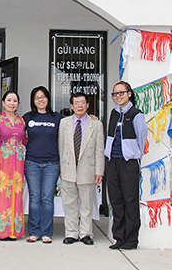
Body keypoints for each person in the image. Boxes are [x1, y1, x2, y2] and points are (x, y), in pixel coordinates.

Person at [105, 81, 147, 250]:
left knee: (130, 200)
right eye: (115, 93)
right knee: (116, 200)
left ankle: (131, 239)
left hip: (128, 163)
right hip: (112, 161)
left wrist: (132, 154)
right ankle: (119, 237)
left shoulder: (136, 114)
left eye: (121, 92)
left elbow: (141, 139)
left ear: (129, 94)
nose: (118, 96)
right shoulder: (114, 113)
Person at [58, 92, 104, 246]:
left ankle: (86, 233)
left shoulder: (96, 124)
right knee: (69, 204)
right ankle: (71, 233)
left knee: (86, 205)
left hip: (87, 169)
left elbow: (99, 149)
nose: (80, 106)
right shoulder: (64, 123)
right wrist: (61, 167)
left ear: (87, 105)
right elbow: (60, 146)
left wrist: (99, 171)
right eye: (76, 103)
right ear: (72, 106)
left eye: (82, 102)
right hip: (68, 169)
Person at [23, 86, 62, 244]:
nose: (40, 100)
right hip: (32, 162)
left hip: (52, 163)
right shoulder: (27, 117)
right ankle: (34, 232)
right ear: (33, 101)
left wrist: (92, 117)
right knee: (34, 198)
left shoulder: (57, 118)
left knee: (47, 198)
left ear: (48, 98)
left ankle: (46, 232)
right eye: (37, 97)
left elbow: (73, 125)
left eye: (43, 96)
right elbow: (13, 130)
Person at [0, 90, 27, 240]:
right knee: (1, 195)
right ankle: (2, 231)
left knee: (17, 195)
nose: (12, 103)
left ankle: (15, 231)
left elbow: (24, 141)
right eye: (9, 100)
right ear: (3, 102)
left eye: (15, 101)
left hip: (18, 163)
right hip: (2, 162)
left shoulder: (21, 121)